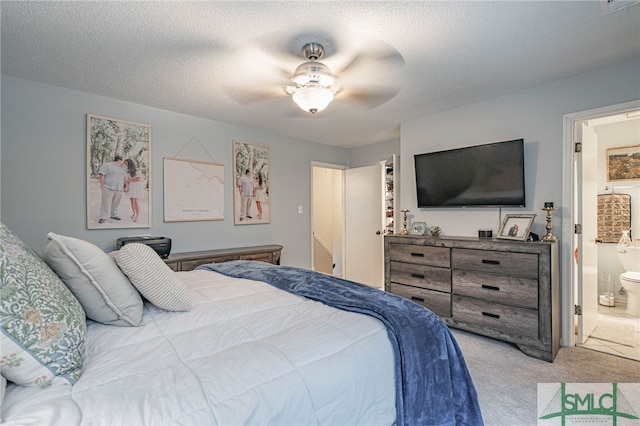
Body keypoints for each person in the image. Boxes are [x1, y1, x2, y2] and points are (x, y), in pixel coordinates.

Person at [98, 154, 128, 224]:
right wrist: (102, 185)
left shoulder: (123, 169)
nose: (124, 162)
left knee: (116, 203)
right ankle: (103, 217)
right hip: (108, 187)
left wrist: (126, 186)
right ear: (119, 160)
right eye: (123, 160)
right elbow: (101, 174)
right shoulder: (107, 165)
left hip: (119, 189)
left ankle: (114, 215)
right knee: (106, 203)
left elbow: (125, 179)